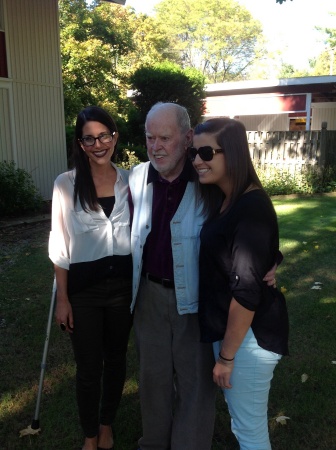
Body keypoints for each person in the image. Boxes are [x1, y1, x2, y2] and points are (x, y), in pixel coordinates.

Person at [128, 102, 278, 450]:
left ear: (187, 138)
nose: (156, 146)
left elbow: (244, 224)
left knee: (196, 382)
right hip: (148, 296)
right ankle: (153, 442)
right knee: (153, 379)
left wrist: (272, 259)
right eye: (150, 137)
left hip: (195, 300)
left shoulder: (208, 179)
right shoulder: (136, 177)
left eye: (165, 137)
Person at [190, 117, 289, 450]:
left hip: (247, 340)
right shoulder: (229, 199)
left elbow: (246, 294)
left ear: (231, 154)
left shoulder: (250, 206)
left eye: (206, 152)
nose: (197, 161)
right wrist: (272, 260)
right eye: (194, 153)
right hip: (237, 336)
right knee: (243, 424)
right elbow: (248, 252)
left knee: (249, 431)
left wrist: (227, 358)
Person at [49, 106, 132, 450]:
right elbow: (60, 243)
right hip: (83, 291)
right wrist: (63, 300)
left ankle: (106, 423)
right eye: (89, 138)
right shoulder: (66, 184)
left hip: (124, 289)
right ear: (80, 143)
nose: (98, 144)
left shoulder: (131, 179)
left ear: (114, 136)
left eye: (104, 136)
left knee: (115, 361)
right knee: (87, 367)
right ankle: (89, 435)